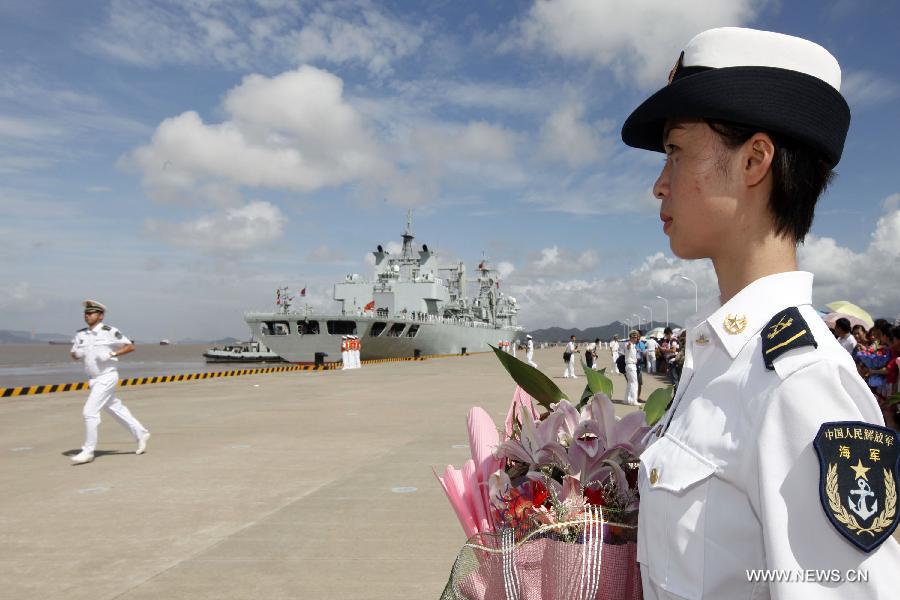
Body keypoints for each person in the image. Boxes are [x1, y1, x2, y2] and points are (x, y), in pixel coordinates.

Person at [621, 27, 898, 598]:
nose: (659, 185)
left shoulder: (797, 383)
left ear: (754, 160)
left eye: (676, 151)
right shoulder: (724, 361)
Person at [69, 300, 150, 465]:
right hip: (93, 379)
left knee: (89, 412)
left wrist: (112, 353)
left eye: (91, 313)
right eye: (86, 313)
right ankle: (141, 433)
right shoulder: (81, 334)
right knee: (114, 408)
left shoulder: (109, 331)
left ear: (100, 316)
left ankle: (88, 451)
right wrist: (77, 354)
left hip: (107, 376)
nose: (87, 316)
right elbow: (73, 354)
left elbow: (130, 346)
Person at [623, 330, 640, 406]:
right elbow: (628, 347)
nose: (635, 339)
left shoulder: (634, 345)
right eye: (634, 337)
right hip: (630, 366)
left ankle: (627, 400)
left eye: (636, 337)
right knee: (634, 383)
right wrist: (629, 344)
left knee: (630, 383)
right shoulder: (628, 344)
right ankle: (634, 400)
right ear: (631, 338)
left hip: (631, 365)